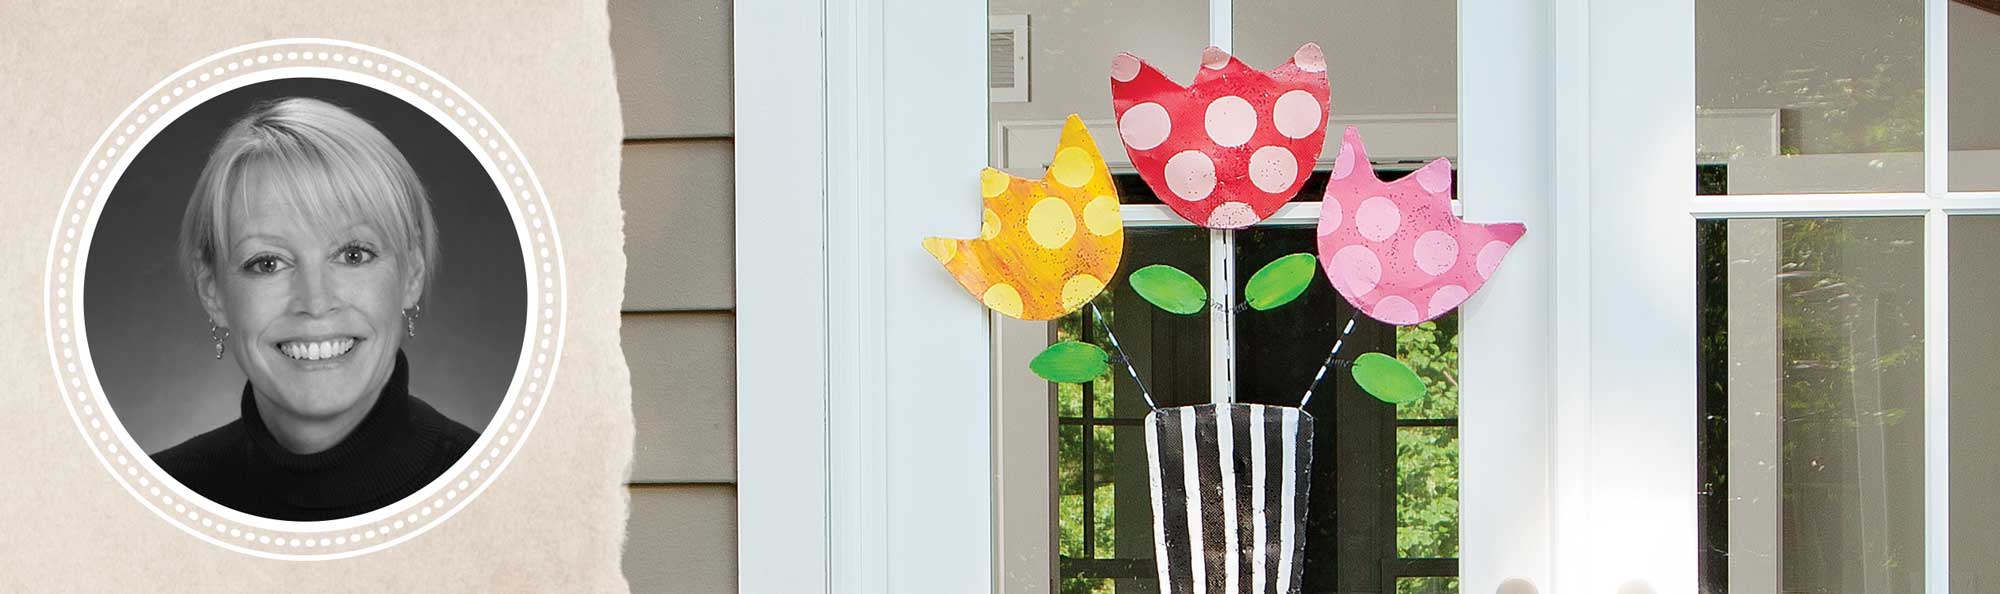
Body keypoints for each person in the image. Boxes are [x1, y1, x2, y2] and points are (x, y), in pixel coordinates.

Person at [153, 97, 475, 521]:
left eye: (353, 255)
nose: (316, 302)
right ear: (213, 292)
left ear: (411, 274)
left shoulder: (504, 493)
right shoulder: (152, 499)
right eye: (268, 263)